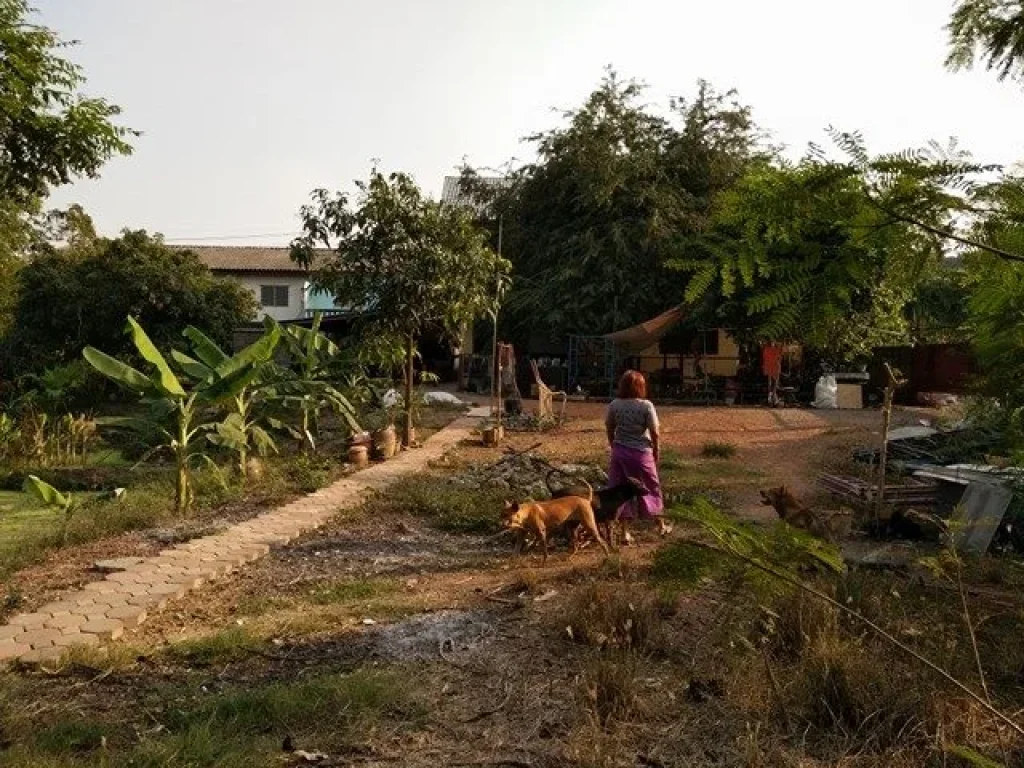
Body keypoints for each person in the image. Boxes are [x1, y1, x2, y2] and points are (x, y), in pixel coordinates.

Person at [605, 370, 672, 541]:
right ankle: (660, 526)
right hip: (641, 453)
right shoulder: (646, 406)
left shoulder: (614, 405)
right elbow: (655, 432)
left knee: (619, 490)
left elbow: (609, 427)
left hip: (620, 452)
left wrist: (614, 445)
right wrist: (656, 450)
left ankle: (624, 532)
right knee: (650, 487)